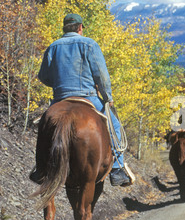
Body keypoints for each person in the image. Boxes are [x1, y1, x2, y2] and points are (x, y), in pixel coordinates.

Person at [31, 13, 131, 187]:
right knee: (114, 126)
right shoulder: (89, 44)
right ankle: (117, 169)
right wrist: (108, 98)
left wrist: (59, 83)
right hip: (88, 96)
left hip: (60, 98)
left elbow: (43, 76)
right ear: (80, 28)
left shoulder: (53, 47)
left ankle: (41, 168)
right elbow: (101, 75)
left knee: (44, 126)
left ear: (64, 28)